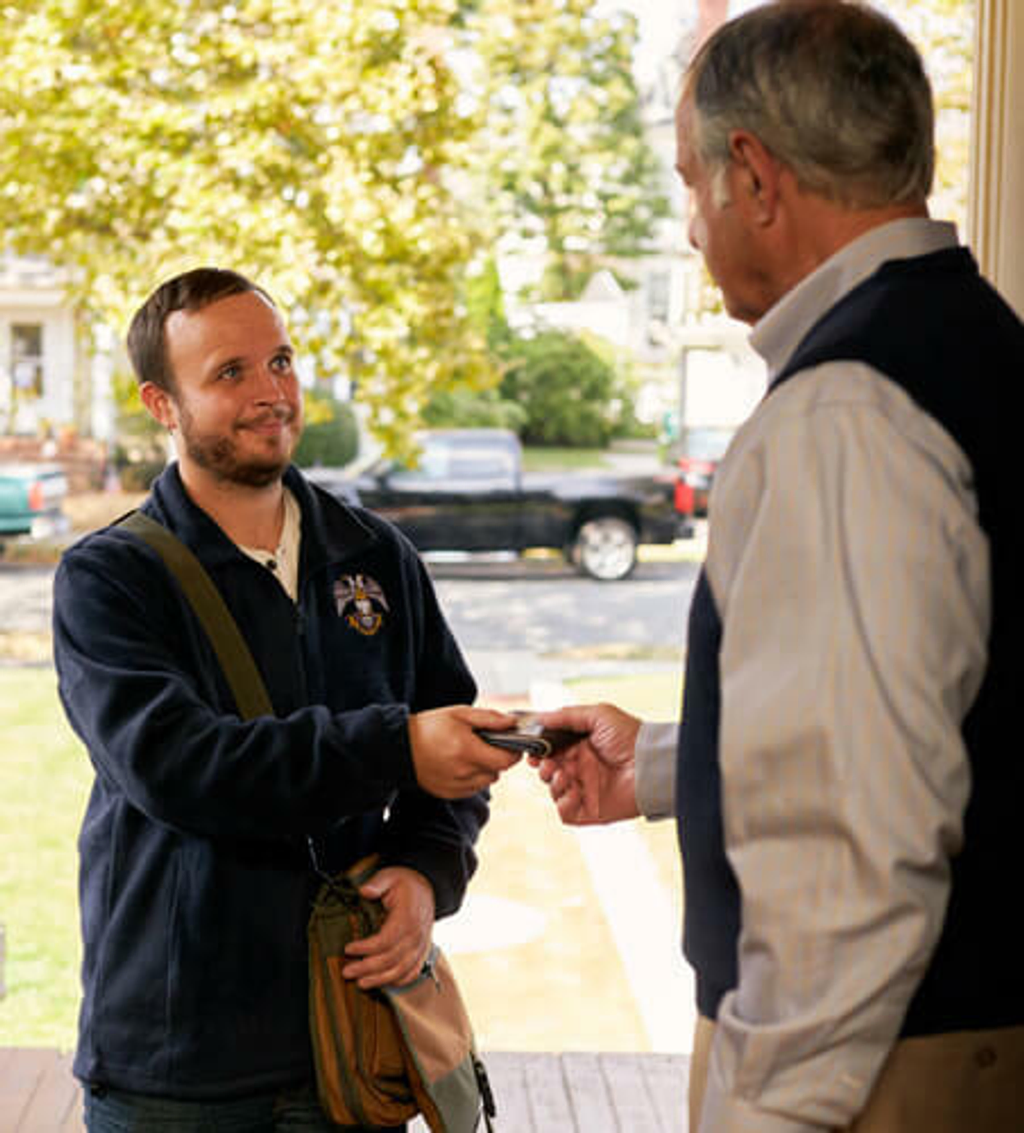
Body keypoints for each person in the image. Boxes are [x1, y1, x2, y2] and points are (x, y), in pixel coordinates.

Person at [537, 2, 1023, 1130]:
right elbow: (920, 712)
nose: (692, 227)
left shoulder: (844, 412)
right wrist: (668, 764)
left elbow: (853, 854)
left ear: (751, 175)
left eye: (688, 184)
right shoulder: (974, 346)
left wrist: (769, 1111)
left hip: (873, 1078)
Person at [53, 267, 520, 1132]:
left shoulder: (376, 555)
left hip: (351, 1038)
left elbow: (447, 753)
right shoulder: (110, 578)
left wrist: (425, 871)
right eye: (231, 373)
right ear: (162, 404)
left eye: (282, 362)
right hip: (177, 1065)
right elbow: (181, 768)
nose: (272, 393)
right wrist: (396, 747)